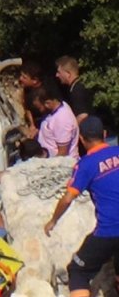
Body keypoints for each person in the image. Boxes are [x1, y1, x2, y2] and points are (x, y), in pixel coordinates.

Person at [44, 116, 119, 297]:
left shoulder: (85, 164)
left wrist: (53, 221)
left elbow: (68, 198)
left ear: (82, 139)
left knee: (78, 270)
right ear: (105, 134)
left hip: (109, 231)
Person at [31, 83, 80, 159]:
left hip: (60, 165)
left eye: (39, 108)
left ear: (48, 103)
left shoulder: (62, 119)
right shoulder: (54, 110)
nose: (39, 111)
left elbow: (62, 153)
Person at [55, 56, 94, 124]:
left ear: (68, 74)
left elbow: (82, 115)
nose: (57, 75)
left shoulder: (77, 90)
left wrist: (70, 129)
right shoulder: (77, 86)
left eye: (59, 72)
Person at [18, 61, 46, 138]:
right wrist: (32, 125)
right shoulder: (27, 89)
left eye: (24, 77)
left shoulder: (45, 92)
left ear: (35, 80)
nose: (20, 79)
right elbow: (27, 108)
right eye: (21, 75)